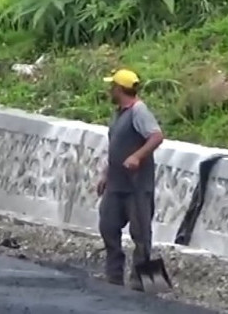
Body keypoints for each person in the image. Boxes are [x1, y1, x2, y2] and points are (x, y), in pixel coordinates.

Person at [97, 69, 164, 291]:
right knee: (108, 226)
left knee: (141, 234)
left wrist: (137, 156)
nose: (109, 91)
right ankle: (114, 276)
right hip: (117, 183)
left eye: (112, 86)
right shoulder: (119, 113)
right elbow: (116, 148)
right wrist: (106, 174)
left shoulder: (139, 111)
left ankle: (146, 284)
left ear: (119, 88)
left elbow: (156, 136)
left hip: (137, 186)